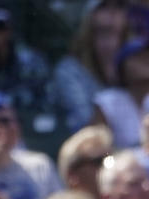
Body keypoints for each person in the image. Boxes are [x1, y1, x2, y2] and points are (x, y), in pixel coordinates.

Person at [52, 0, 130, 133]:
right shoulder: (70, 70)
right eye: (104, 5)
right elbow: (86, 126)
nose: (112, 12)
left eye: (119, 5)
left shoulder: (137, 63)